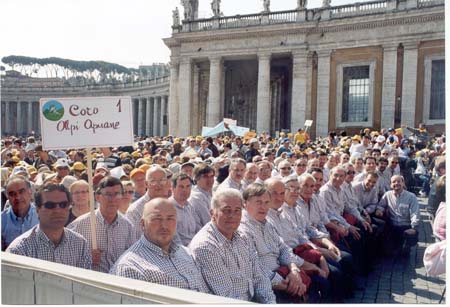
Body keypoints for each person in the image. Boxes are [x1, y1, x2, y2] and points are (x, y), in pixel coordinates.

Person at [189, 188, 276, 303]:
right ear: (212, 213)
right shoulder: (206, 246)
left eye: (237, 210)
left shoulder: (242, 236)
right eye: (227, 210)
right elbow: (227, 297)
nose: (232, 216)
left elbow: (259, 278)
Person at [110, 198, 209, 293]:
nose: (164, 226)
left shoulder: (187, 254)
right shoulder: (132, 267)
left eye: (170, 219)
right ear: (143, 224)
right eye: (157, 219)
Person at [239, 183, 316, 303]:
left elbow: (284, 248)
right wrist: (287, 283)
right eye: (258, 202)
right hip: (268, 285)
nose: (263, 207)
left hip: (285, 274)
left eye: (266, 202)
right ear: (245, 203)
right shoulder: (242, 230)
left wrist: (294, 270)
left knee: (321, 282)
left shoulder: (267, 223)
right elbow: (255, 267)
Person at [7, 183, 92, 269]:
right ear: (37, 209)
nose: (58, 210)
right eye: (50, 205)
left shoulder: (80, 244)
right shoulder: (20, 250)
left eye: (63, 204)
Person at [68, 176, 137, 272]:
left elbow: (133, 258)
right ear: (97, 197)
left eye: (117, 194)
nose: (112, 199)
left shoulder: (128, 226)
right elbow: (66, 258)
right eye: (108, 194)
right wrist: (85, 258)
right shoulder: (78, 226)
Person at [376, 175, 420, 257]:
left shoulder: (411, 197)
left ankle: (406, 246)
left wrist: (414, 228)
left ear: (403, 183)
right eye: (394, 182)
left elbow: (415, 213)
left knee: (405, 253)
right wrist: (379, 210)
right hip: (393, 227)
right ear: (390, 185)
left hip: (406, 226)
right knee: (389, 252)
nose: (396, 183)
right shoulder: (387, 195)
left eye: (399, 181)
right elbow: (380, 206)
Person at [126, 165, 170, 233]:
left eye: (161, 180)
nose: (158, 184)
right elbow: (135, 239)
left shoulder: (171, 206)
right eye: (153, 181)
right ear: (146, 184)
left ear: (167, 182)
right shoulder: (135, 211)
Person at [2, 175, 39, 250]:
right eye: (12, 194)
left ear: (30, 192)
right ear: (7, 197)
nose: (18, 197)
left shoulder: (43, 216)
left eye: (21, 192)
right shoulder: (2, 220)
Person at [169, 173, 201, 246]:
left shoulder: (190, 206)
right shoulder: (168, 208)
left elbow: (199, 229)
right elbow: (174, 240)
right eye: (181, 187)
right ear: (173, 188)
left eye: (188, 186)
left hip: (195, 246)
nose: (185, 190)